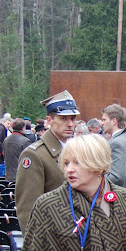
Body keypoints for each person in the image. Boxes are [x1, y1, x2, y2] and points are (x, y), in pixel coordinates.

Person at [15, 90, 78, 230]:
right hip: (52, 238)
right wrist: (36, 247)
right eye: (63, 118)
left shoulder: (76, 150)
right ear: (49, 121)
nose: (70, 124)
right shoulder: (35, 155)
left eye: (73, 119)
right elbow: (28, 208)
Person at [101, 103, 126, 194]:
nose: (102, 123)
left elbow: (116, 177)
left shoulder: (116, 143)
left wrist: (96, 178)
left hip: (119, 199)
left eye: (104, 119)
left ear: (114, 121)